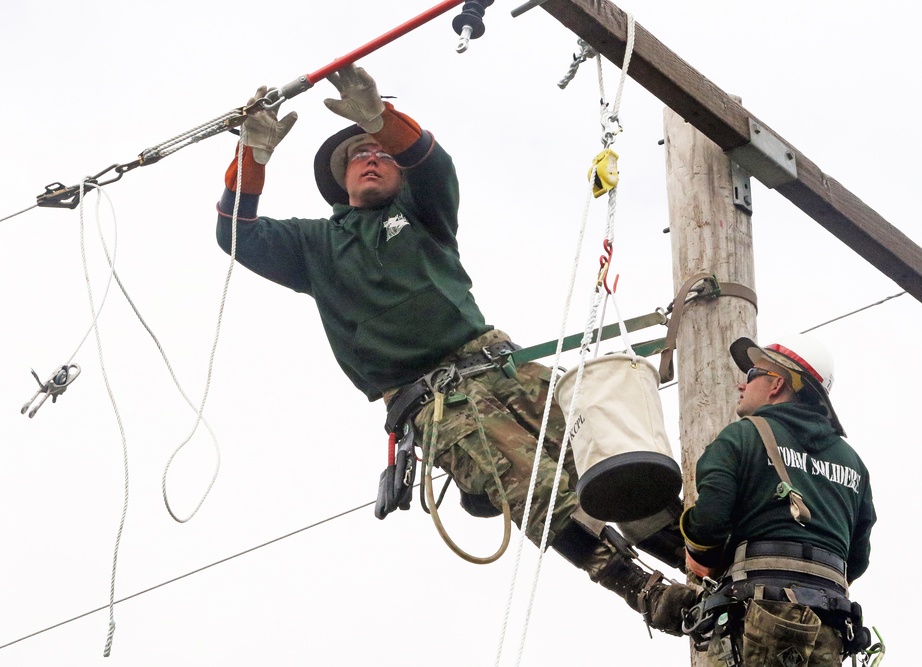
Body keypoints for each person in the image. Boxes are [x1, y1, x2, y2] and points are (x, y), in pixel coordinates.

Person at [215, 64, 696, 634]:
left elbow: (433, 164)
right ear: (341, 179)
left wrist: (381, 119)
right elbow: (234, 232)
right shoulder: (313, 245)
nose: (371, 158)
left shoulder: (420, 213)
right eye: (358, 156)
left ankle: (708, 560)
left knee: (603, 454)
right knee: (534, 487)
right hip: (438, 401)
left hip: (500, 364)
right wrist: (253, 154)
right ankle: (642, 591)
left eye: (382, 154)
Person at [679, 335, 876, 666]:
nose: (742, 385)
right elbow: (856, 559)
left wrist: (702, 557)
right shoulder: (854, 464)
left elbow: (709, 523)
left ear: (776, 385)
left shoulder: (742, 436)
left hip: (757, 617)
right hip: (828, 628)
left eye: (753, 373)